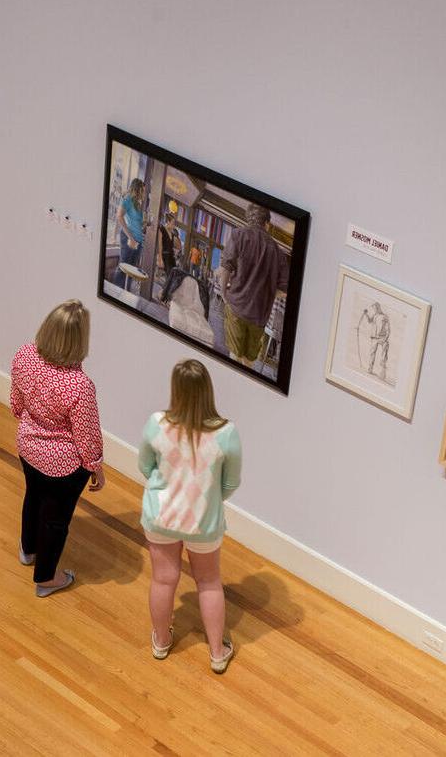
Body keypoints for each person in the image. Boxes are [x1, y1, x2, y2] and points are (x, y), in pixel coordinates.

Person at [138, 360, 241, 674]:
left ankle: (160, 640)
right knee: (209, 582)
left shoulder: (157, 423)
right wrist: (209, 501)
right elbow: (230, 483)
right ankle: (217, 651)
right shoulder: (226, 433)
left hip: (161, 517)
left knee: (162, 579)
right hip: (204, 523)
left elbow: (145, 466)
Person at [10, 300, 105, 597]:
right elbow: (87, 436)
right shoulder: (79, 385)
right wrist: (96, 468)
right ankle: (47, 578)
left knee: (33, 496)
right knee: (55, 519)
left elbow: (16, 402)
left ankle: (28, 549)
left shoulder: (25, 354)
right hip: (63, 466)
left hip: (27, 446)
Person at [216, 203, 288, 368]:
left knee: (234, 356)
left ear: (248, 219)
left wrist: (224, 294)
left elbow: (226, 267)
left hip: (237, 306)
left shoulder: (238, 236)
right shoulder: (278, 253)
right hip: (259, 316)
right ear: (267, 224)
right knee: (249, 361)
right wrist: (266, 291)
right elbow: (283, 291)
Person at [112, 179, 146, 290]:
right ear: (138, 189)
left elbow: (138, 224)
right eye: (143, 190)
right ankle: (116, 291)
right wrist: (131, 237)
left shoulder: (137, 204)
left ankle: (125, 292)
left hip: (138, 240)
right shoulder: (127, 200)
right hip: (129, 238)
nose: (144, 193)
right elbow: (119, 216)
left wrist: (145, 223)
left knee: (132, 269)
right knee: (123, 266)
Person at [360, 302, 391, 382]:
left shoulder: (384, 317)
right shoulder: (375, 315)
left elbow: (388, 329)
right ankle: (370, 369)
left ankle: (382, 373)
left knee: (384, 355)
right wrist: (366, 314)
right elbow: (369, 321)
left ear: (378, 308)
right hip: (374, 338)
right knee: (372, 353)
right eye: (373, 309)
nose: (374, 310)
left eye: (375, 308)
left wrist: (386, 338)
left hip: (382, 338)